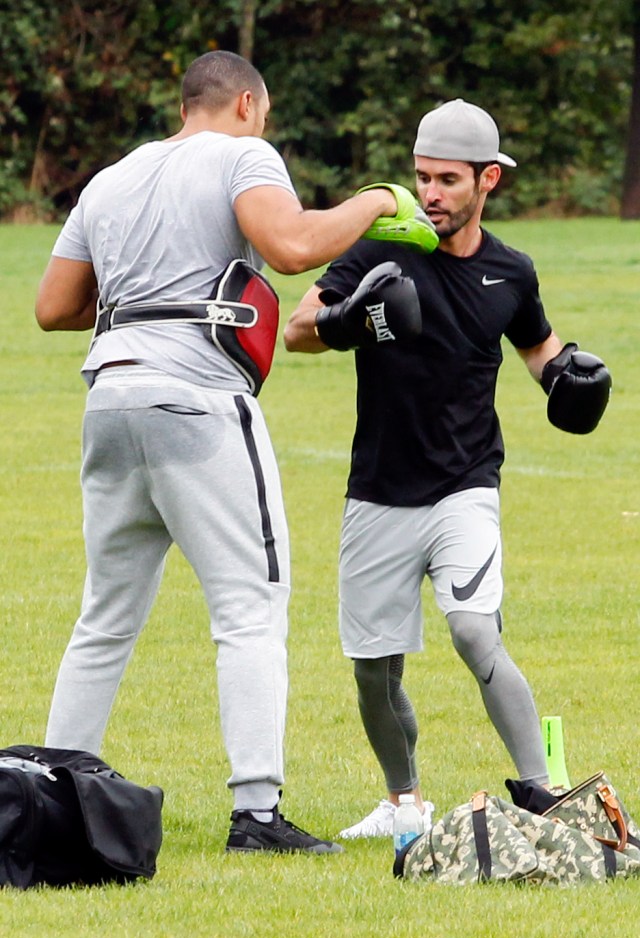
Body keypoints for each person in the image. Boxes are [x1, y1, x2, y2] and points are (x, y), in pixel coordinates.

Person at [34, 50, 429, 855]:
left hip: (109, 401)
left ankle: (57, 800)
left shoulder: (109, 179)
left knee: (105, 616)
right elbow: (289, 246)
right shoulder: (242, 154)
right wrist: (378, 199)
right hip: (198, 403)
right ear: (247, 103)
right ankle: (256, 814)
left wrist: (149, 300)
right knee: (251, 606)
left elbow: (55, 307)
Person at [284, 98, 611, 839]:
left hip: (466, 485)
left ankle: (540, 790)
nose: (429, 194)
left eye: (447, 181)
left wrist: (571, 377)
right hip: (378, 489)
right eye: (422, 177)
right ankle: (404, 803)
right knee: (374, 669)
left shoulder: (510, 272)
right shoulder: (381, 249)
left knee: (472, 629)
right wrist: (350, 320)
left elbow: (541, 351)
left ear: (487, 180)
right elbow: (300, 328)